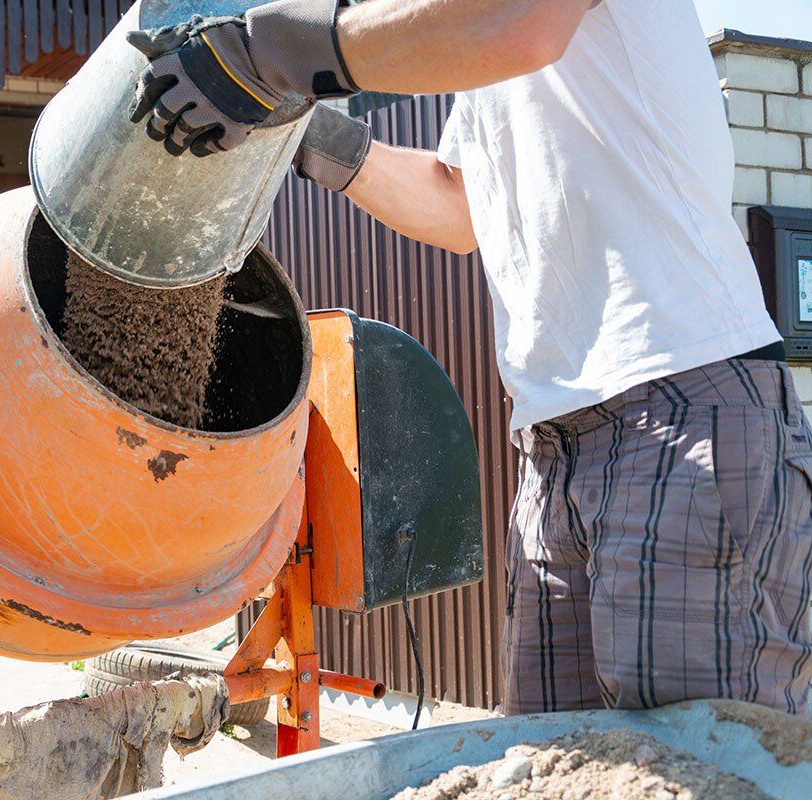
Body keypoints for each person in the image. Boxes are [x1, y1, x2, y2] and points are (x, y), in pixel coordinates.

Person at [128, 0, 812, 716]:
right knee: (557, 767)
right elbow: (460, 208)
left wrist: (268, 49)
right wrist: (302, 132)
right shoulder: (488, 63)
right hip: (556, 446)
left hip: (682, 405)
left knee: (699, 762)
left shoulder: (509, 23)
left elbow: (518, 26)